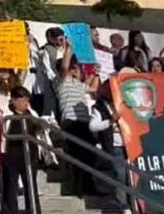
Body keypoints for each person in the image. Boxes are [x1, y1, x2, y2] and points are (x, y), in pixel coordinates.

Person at [58, 39, 100, 197]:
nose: (80, 71)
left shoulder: (79, 85)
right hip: (71, 122)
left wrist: (96, 73)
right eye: (77, 68)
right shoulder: (62, 82)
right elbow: (63, 67)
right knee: (76, 155)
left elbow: (94, 89)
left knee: (91, 154)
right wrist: (69, 48)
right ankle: (77, 187)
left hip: (84, 123)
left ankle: (89, 185)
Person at [89, 79, 130, 214]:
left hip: (129, 144)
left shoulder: (126, 104)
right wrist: (110, 120)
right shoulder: (99, 107)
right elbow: (93, 126)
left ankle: (134, 203)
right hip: (115, 145)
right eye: (110, 89)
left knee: (132, 176)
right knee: (120, 176)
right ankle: (124, 206)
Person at [1, 86, 40, 214]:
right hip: (12, 156)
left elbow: (40, 127)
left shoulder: (31, 113)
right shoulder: (7, 114)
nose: (25, 103)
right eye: (22, 100)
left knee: (31, 186)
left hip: (30, 154)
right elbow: (4, 133)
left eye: (27, 100)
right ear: (14, 100)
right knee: (11, 187)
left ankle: (33, 210)